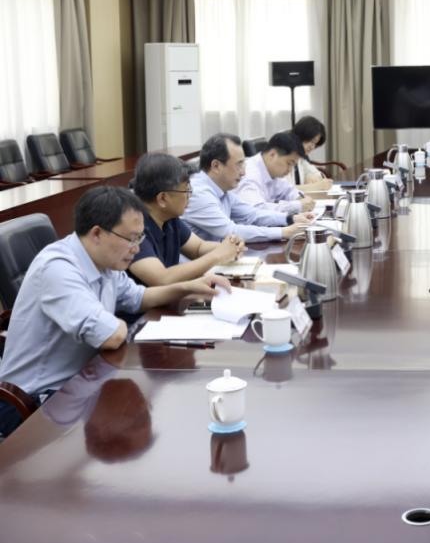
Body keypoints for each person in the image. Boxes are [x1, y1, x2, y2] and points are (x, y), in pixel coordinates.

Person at [0, 186, 230, 436]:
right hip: (34, 403)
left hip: (80, 384)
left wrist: (188, 287)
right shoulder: (58, 269)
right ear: (97, 233)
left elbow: (138, 297)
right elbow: (111, 336)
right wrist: (118, 324)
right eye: (131, 239)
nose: (136, 248)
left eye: (140, 238)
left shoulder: (104, 261)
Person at [129, 152, 246, 286]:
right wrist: (218, 255)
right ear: (163, 198)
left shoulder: (169, 218)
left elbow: (198, 248)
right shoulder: (133, 228)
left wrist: (229, 247)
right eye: (186, 190)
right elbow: (161, 278)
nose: (190, 196)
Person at [182, 134, 314, 243]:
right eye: (239, 165)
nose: (243, 172)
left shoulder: (222, 189)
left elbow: (252, 214)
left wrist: (290, 219)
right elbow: (231, 232)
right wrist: (283, 232)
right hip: (198, 264)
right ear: (216, 166)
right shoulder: (198, 193)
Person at [235, 131, 316, 215]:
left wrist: (300, 198)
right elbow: (256, 210)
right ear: (272, 154)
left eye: (293, 166)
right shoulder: (249, 174)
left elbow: (288, 190)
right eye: (289, 163)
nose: (290, 170)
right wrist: (296, 206)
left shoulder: (273, 171)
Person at [292, 115, 333, 193]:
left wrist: (314, 177)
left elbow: (314, 172)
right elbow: (284, 190)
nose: (312, 147)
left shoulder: (300, 157)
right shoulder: (284, 155)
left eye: (315, 144)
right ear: (301, 135)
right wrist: (316, 186)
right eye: (311, 141)